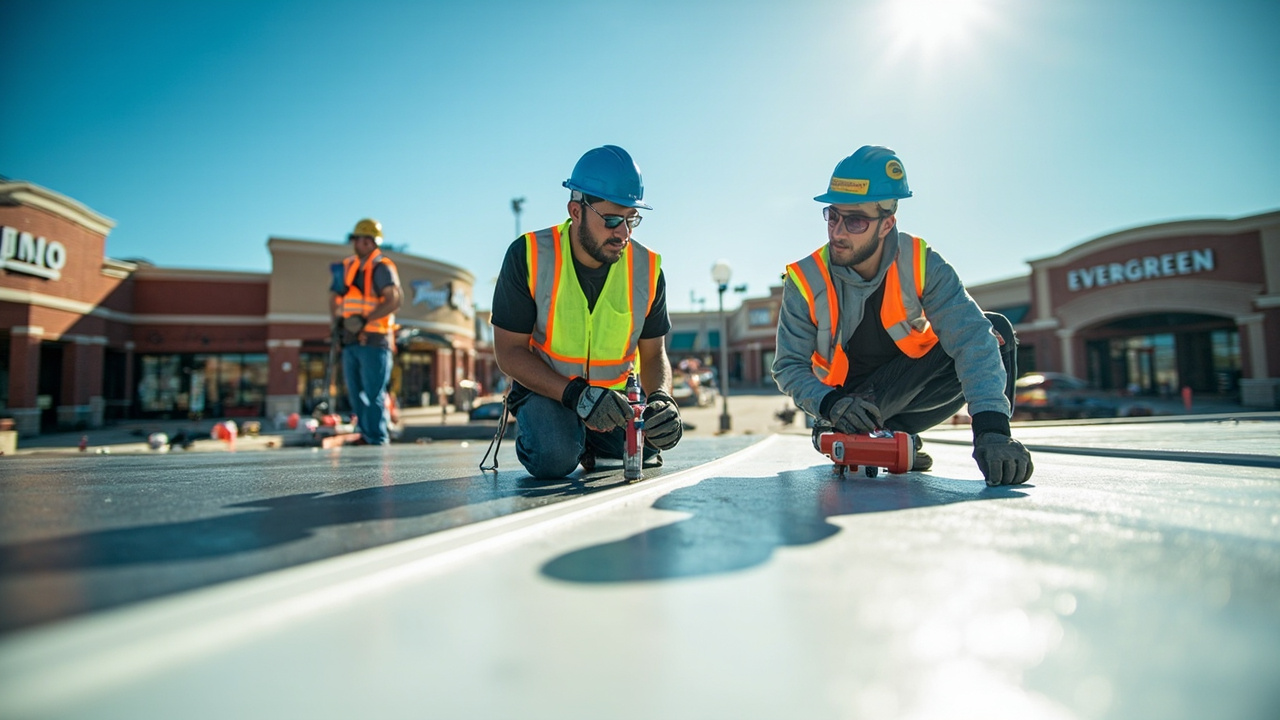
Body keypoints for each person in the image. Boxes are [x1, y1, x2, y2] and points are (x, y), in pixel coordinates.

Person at [772, 146, 1033, 486]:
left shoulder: (922, 263)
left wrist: (992, 430)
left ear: (886, 224)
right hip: (844, 408)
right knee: (985, 333)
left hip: (907, 391)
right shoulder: (806, 279)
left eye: (855, 221)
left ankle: (895, 435)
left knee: (993, 330)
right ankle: (875, 437)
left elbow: (970, 338)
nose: (837, 232)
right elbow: (787, 366)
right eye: (832, 216)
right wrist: (830, 404)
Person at [490, 145, 683, 479]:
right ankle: (572, 442)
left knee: (649, 446)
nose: (623, 233)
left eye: (631, 219)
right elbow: (509, 352)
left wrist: (662, 399)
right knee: (553, 455)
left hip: (615, 400)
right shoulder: (528, 255)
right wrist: (577, 396)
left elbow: (654, 354)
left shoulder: (648, 269)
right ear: (576, 211)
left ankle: (593, 445)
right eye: (611, 220)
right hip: (549, 393)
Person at [332, 218, 403, 445]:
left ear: (372, 242)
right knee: (356, 394)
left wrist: (365, 319)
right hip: (351, 341)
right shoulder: (348, 267)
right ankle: (365, 434)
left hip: (375, 340)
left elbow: (393, 300)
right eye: (355, 239)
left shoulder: (382, 267)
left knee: (373, 395)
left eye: (361, 239)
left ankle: (378, 440)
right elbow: (336, 298)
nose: (357, 244)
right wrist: (338, 326)